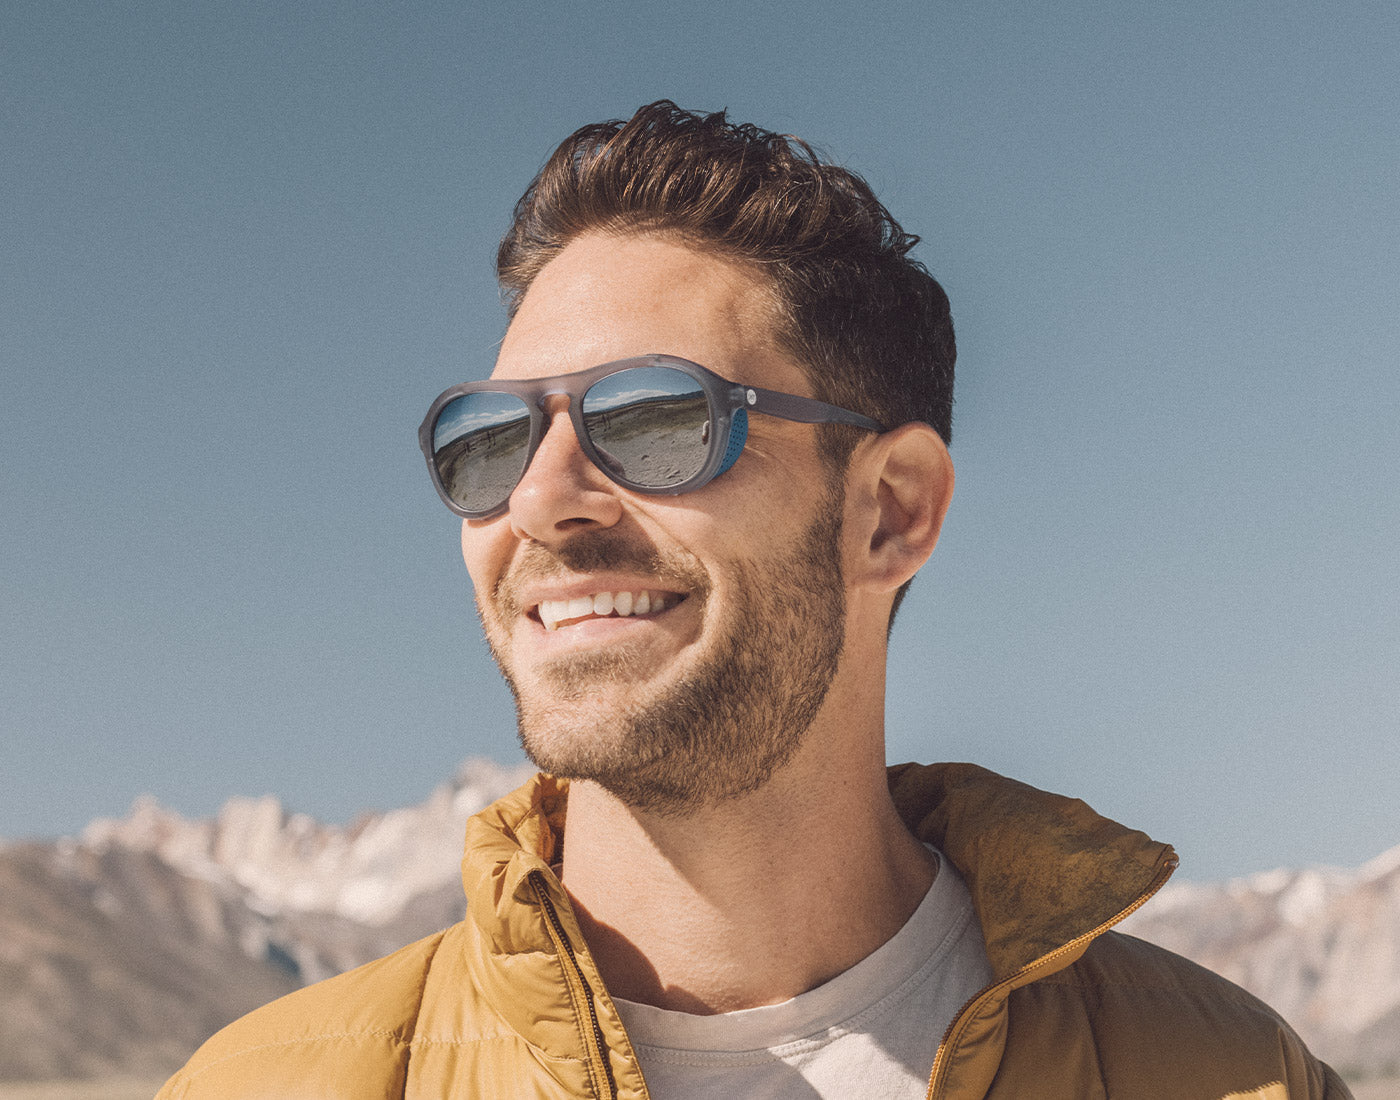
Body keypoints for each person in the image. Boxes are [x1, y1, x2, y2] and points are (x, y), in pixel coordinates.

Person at [158, 101, 1350, 1099]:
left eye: (655, 419)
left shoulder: (1226, 1075)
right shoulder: (264, 1084)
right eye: (491, 441)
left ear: (892, 509)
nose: (539, 501)